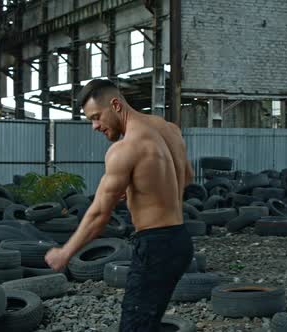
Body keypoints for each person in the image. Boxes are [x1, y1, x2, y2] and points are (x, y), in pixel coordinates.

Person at [45, 79, 195, 331]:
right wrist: (142, 186)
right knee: (149, 320)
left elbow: (99, 214)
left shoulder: (124, 149)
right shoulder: (168, 129)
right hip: (179, 240)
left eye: (96, 117)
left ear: (115, 104)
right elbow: (187, 176)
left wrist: (65, 253)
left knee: (134, 325)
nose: (94, 126)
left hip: (155, 246)